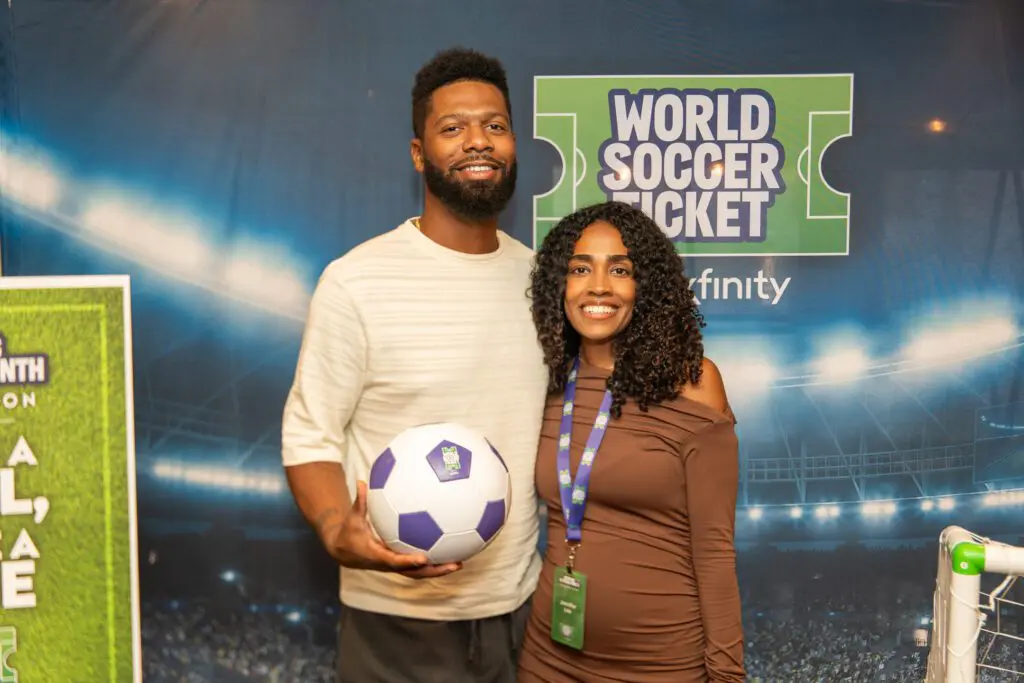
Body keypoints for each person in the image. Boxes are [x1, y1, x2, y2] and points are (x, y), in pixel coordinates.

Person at [280, 47, 547, 683]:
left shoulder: (542, 279)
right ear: (418, 154)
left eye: (495, 125)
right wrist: (333, 528)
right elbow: (308, 435)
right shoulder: (356, 282)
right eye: (452, 128)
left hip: (523, 613)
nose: (477, 142)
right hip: (396, 625)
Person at [516, 200, 746, 682]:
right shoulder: (546, 381)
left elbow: (714, 549)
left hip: (661, 666)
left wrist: (726, 676)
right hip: (549, 659)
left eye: (619, 269)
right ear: (561, 285)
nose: (598, 286)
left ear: (647, 287)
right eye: (581, 268)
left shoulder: (695, 383)